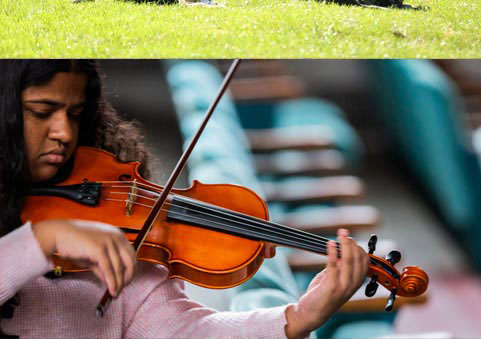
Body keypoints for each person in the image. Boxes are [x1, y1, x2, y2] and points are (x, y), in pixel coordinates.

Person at [0, 60, 369, 338]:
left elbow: (186, 331)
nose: (64, 132)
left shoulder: (118, 223)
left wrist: (297, 317)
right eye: (41, 112)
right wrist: (43, 240)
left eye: (76, 114)